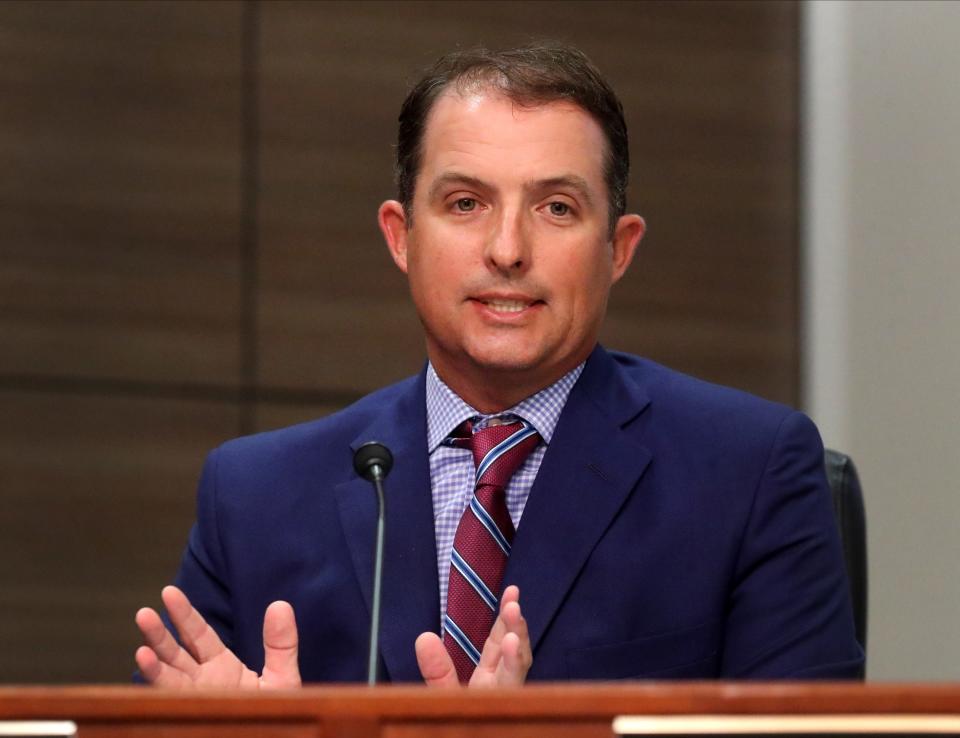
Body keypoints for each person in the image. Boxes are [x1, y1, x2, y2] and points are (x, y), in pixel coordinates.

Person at [134, 42, 864, 688]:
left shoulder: (749, 472)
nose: (508, 250)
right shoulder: (255, 497)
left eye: (555, 208)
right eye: (464, 203)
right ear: (401, 236)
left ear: (618, 248)